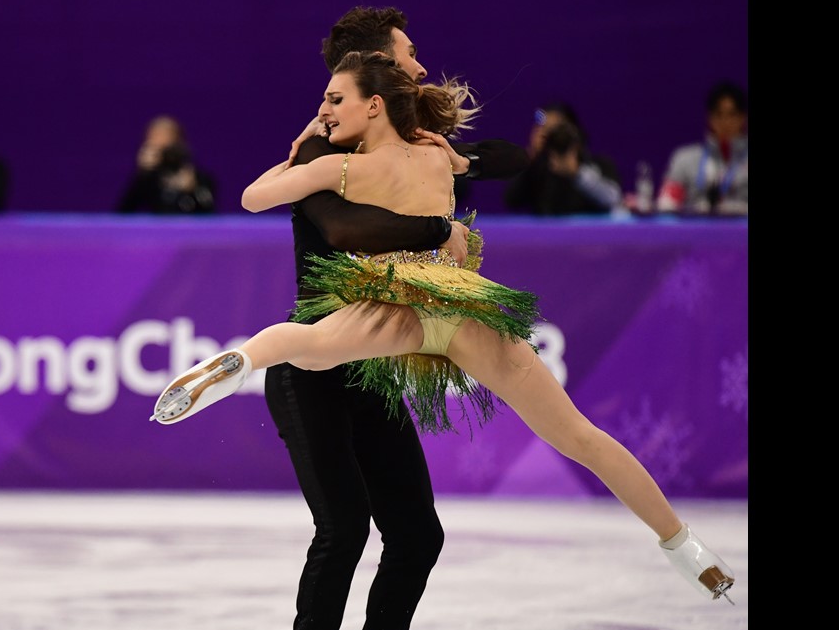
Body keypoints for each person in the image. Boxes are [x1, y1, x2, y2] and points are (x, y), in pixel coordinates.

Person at [152, 51, 737, 608]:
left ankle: (235, 365)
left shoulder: (344, 167)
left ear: (373, 105)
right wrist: (450, 160)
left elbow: (254, 198)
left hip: (394, 304)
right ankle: (688, 551)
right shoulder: (435, 154)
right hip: (460, 306)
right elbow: (500, 160)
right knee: (579, 437)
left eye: (334, 98)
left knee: (308, 347)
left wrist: (307, 144)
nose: (326, 108)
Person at [167, 6, 526, 630]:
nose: (419, 64)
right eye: (407, 54)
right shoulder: (320, 156)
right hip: (313, 368)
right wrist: (440, 229)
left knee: (417, 536)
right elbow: (341, 226)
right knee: (344, 531)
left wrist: (459, 163)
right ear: (379, 72)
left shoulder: (409, 156)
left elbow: (512, 157)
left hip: (372, 373)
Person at [503, 102, 624, 216]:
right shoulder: (538, 168)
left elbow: (613, 198)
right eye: (548, 131)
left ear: (575, 131)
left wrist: (576, 172)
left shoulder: (598, 163)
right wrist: (531, 155)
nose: (555, 137)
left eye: (559, 130)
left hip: (588, 237)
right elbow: (511, 200)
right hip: (547, 237)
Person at [656, 81, 748, 216]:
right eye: (719, 115)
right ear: (710, 118)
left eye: (732, 114)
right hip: (694, 234)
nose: (725, 122)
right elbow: (667, 203)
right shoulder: (685, 159)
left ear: (743, 118)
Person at [116, 115, 218, 214]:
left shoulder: (197, 176)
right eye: (153, 137)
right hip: (160, 230)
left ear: (178, 140)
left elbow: (210, 214)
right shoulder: (149, 178)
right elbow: (123, 212)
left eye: (164, 136)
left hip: (190, 230)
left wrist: (193, 190)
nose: (158, 141)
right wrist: (142, 173)